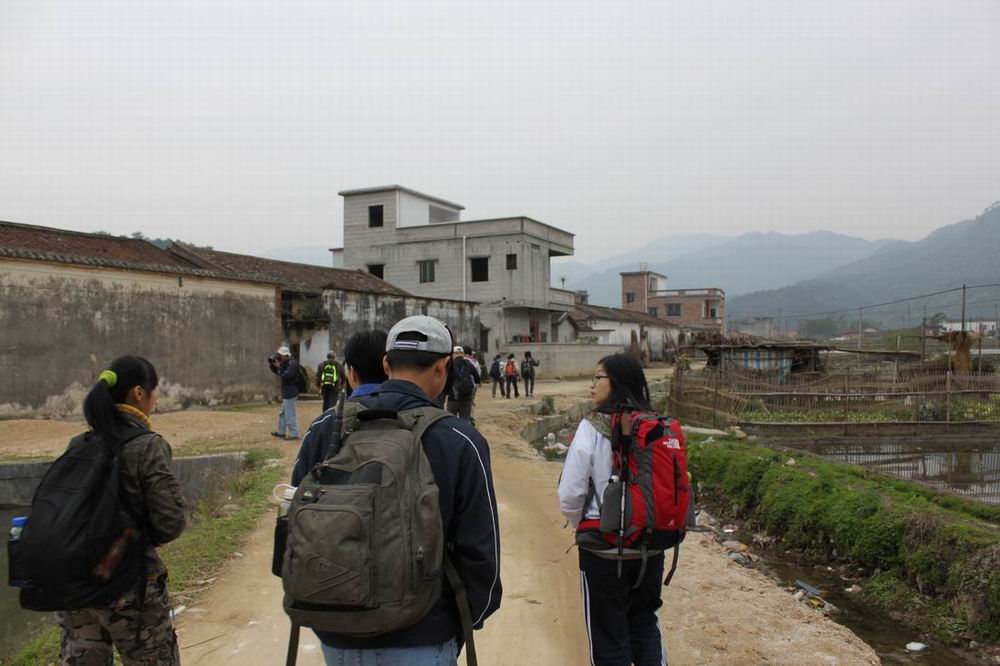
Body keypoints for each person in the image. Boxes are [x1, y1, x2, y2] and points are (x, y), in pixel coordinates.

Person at [315, 315, 502, 666]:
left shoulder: (328, 427)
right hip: (425, 633)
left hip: (336, 632)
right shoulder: (461, 439)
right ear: (444, 367)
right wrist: (460, 622)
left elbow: (295, 522)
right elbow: (480, 554)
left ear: (387, 365)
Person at [56, 356, 186, 664]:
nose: (155, 398)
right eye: (154, 391)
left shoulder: (79, 443)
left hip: (75, 588)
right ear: (139, 393)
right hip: (130, 589)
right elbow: (169, 523)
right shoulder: (147, 445)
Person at [557, 353, 668, 666]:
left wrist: (583, 524)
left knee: (608, 633)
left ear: (616, 382)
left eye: (598, 377)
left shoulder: (592, 426)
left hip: (603, 550)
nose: (592, 385)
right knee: (644, 623)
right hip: (650, 545)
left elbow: (570, 493)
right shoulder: (656, 424)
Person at [292, 330, 388, 485]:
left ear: (352, 374)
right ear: (388, 368)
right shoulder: (413, 417)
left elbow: (297, 486)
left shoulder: (322, 425)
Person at [268, 346, 300, 440]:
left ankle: (294, 434)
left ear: (286, 355)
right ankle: (281, 432)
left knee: (290, 414)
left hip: (291, 391)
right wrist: (273, 365)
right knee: (282, 413)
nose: (279, 357)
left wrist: (279, 367)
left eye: (281, 355)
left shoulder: (292, 363)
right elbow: (278, 372)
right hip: (286, 391)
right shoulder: (285, 363)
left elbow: (287, 375)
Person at [446, 345, 481, 423]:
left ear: (453, 354)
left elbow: (446, 381)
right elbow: (478, 379)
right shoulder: (469, 364)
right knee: (465, 420)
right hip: (467, 398)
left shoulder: (450, 365)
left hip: (453, 398)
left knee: (451, 421)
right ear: (462, 354)